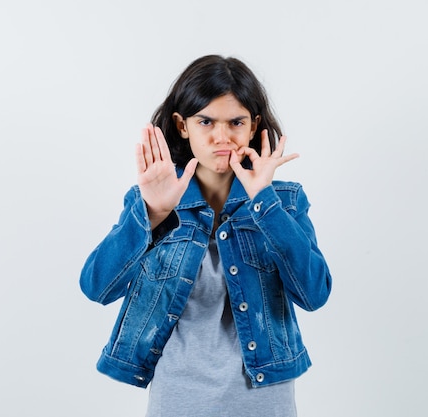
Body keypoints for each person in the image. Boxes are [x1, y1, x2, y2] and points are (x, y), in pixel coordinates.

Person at [79, 54, 332, 417]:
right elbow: (97, 287)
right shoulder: (152, 200)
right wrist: (154, 214)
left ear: (253, 125)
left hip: (263, 399)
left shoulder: (285, 202)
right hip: (179, 398)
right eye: (206, 121)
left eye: (236, 122)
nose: (222, 137)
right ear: (183, 126)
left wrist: (265, 202)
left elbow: (314, 294)